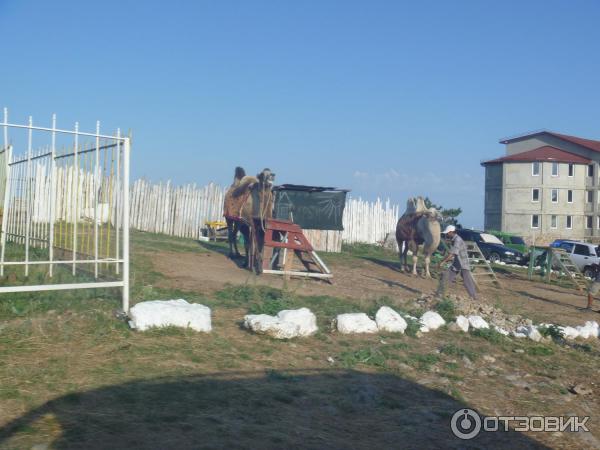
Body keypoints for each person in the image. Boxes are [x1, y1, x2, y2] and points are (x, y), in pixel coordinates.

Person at [436, 225, 477, 299]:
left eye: (447, 233)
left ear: (451, 232)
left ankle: (473, 297)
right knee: (448, 277)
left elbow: (452, 254)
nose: (446, 234)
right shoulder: (455, 239)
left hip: (462, 263)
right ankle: (440, 293)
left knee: (466, 281)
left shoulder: (457, 240)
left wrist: (443, 262)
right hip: (458, 263)